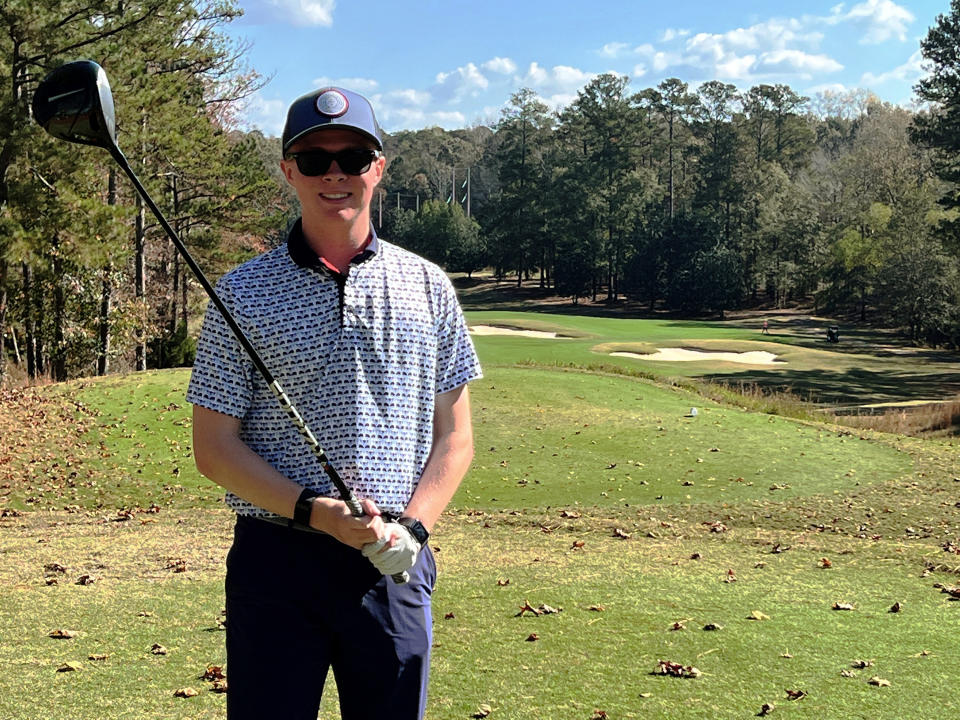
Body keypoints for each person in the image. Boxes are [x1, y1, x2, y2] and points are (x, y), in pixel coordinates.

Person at [186, 85, 482, 720]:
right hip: (277, 563)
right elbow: (213, 448)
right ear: (289, 169)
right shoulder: (243, 291)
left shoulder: (427, 287)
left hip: (392, 562)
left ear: (379, 166)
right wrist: (314, 512)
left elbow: (455, 438)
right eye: (315, 159)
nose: (335, 173)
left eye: (353, 156)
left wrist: (415, 528)